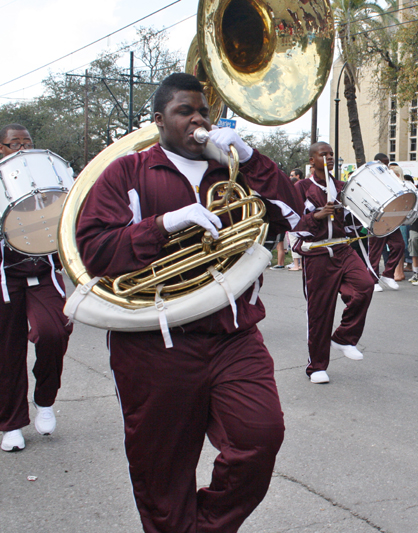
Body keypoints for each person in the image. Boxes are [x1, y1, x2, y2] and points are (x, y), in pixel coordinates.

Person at [75, 73, 302, 532]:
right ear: (159, 120)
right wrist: (165, 225)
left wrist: (253, 158)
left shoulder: (233, 169)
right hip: (154, 343)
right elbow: (95, 252)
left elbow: (297, 216)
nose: (198, 119)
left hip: (234, 336)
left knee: (260, 436)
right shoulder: (127, 172)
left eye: (204, 111)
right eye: (185, 111)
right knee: (161, 472)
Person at [0, 124, 73, 453]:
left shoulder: (45, 180)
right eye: (14, 143)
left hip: (43, 270)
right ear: (2, 149)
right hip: (5, 275)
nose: (21, 148)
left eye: (27, 142)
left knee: (54, 331)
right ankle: (11, 424)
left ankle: (45, 400)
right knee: (6, 351)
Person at [292, 141, 374, 383]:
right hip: (316, 253)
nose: (328, 157)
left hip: (342, 248)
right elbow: (293, 223)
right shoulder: (301, 187)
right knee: (319, 312)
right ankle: (316, 366)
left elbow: (353, 221)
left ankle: (344, 337)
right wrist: (317, 216)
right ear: (312, 161)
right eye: (322, 154)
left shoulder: (341, 186)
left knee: (364, 286)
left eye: (331, 154)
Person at [367, 162, 405, 292]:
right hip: (376, 220)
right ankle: (372, 280)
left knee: (399, 245)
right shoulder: (374, 183)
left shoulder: (397, 184)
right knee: (375, 251)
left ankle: (388, 274)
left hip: (391, 220)